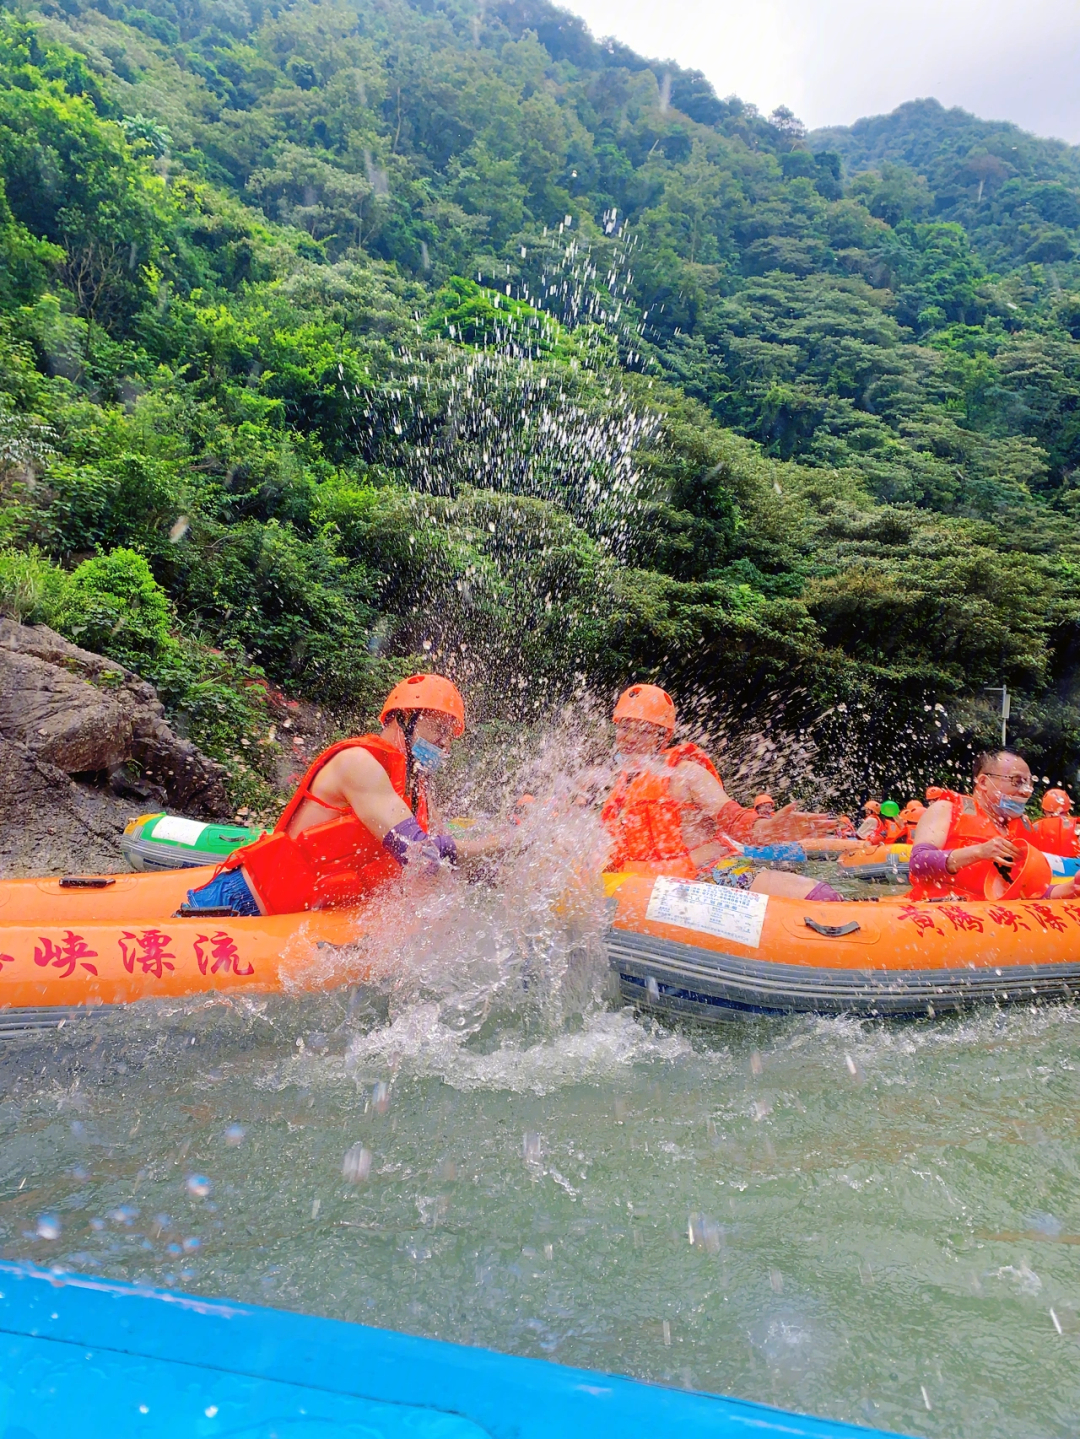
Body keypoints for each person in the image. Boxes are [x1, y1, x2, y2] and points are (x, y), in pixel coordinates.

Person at [185, 674, 501, 916]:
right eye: (439, 729)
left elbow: (443, 868)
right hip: (244, 901)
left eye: (450, 735)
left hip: (308, 912)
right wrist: (504, 844)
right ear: (405, 717)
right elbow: (422, 855)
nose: (445, 744)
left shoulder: (417, 790)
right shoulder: (359, 764)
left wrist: (501, 868)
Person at [601, 683, 843, 901]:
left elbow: (733, 819)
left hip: (708, 873)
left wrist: (769, 830)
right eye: (625, 727)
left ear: (661, 737)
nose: (631, 738)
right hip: (648, 887)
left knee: (820, 896)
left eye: (643, 730)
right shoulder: (619, 790)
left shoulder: (686, 773)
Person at [908, 749, 1079, 901]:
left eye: (1029, 783)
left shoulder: (1022, 829)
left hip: (992, 922)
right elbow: (918, 863)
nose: (1026, 791)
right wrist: (980, 852)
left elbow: (1029, 891)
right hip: (940, 914)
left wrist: (1072, 887)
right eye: (1017, 781)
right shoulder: (946, 809)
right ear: (983, 782)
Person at [1031, 788, 1080, 858]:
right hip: (1073, 867)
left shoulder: (1035, 827)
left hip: (1043, 866)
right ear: (1067, 809)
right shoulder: (1077, 826)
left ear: (1044, 810)